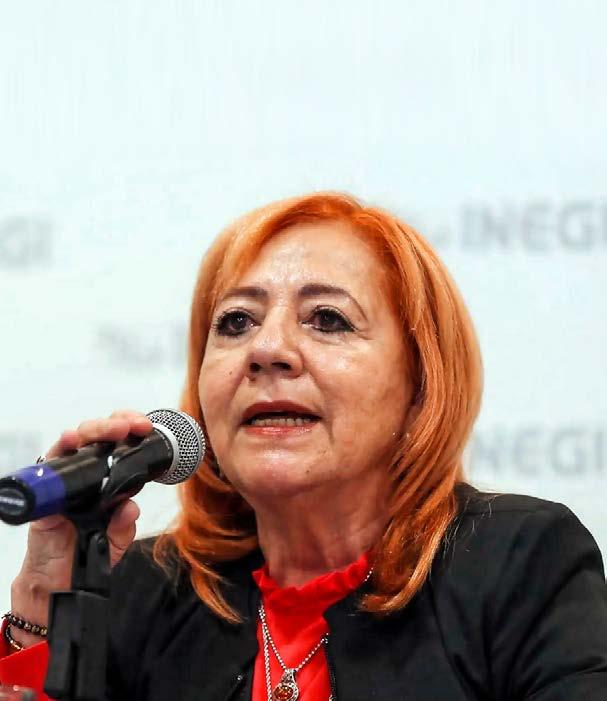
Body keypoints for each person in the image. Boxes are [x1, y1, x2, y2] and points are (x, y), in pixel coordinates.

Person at [1, 192, 606, 700]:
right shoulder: (146, 589)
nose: (267, 350)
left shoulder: (520, 564)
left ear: (420, 385)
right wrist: (45, 606)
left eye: (327, 319)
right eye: (236, 322)